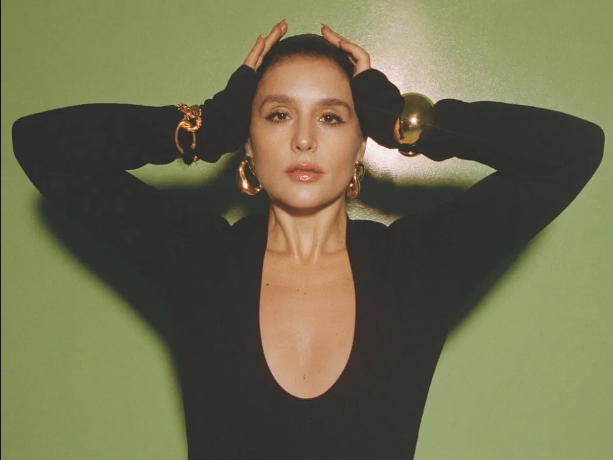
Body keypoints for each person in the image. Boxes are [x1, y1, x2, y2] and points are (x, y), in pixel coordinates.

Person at [11, 19, 605, 460]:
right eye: (277, 115)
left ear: (360, 146)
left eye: (331, 117)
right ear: (247, 143)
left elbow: (573, 151)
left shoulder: (416, 267)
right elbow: (40, 145)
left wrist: (408, 121)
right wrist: (200, 128)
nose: (303, 140)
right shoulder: (197, 261)